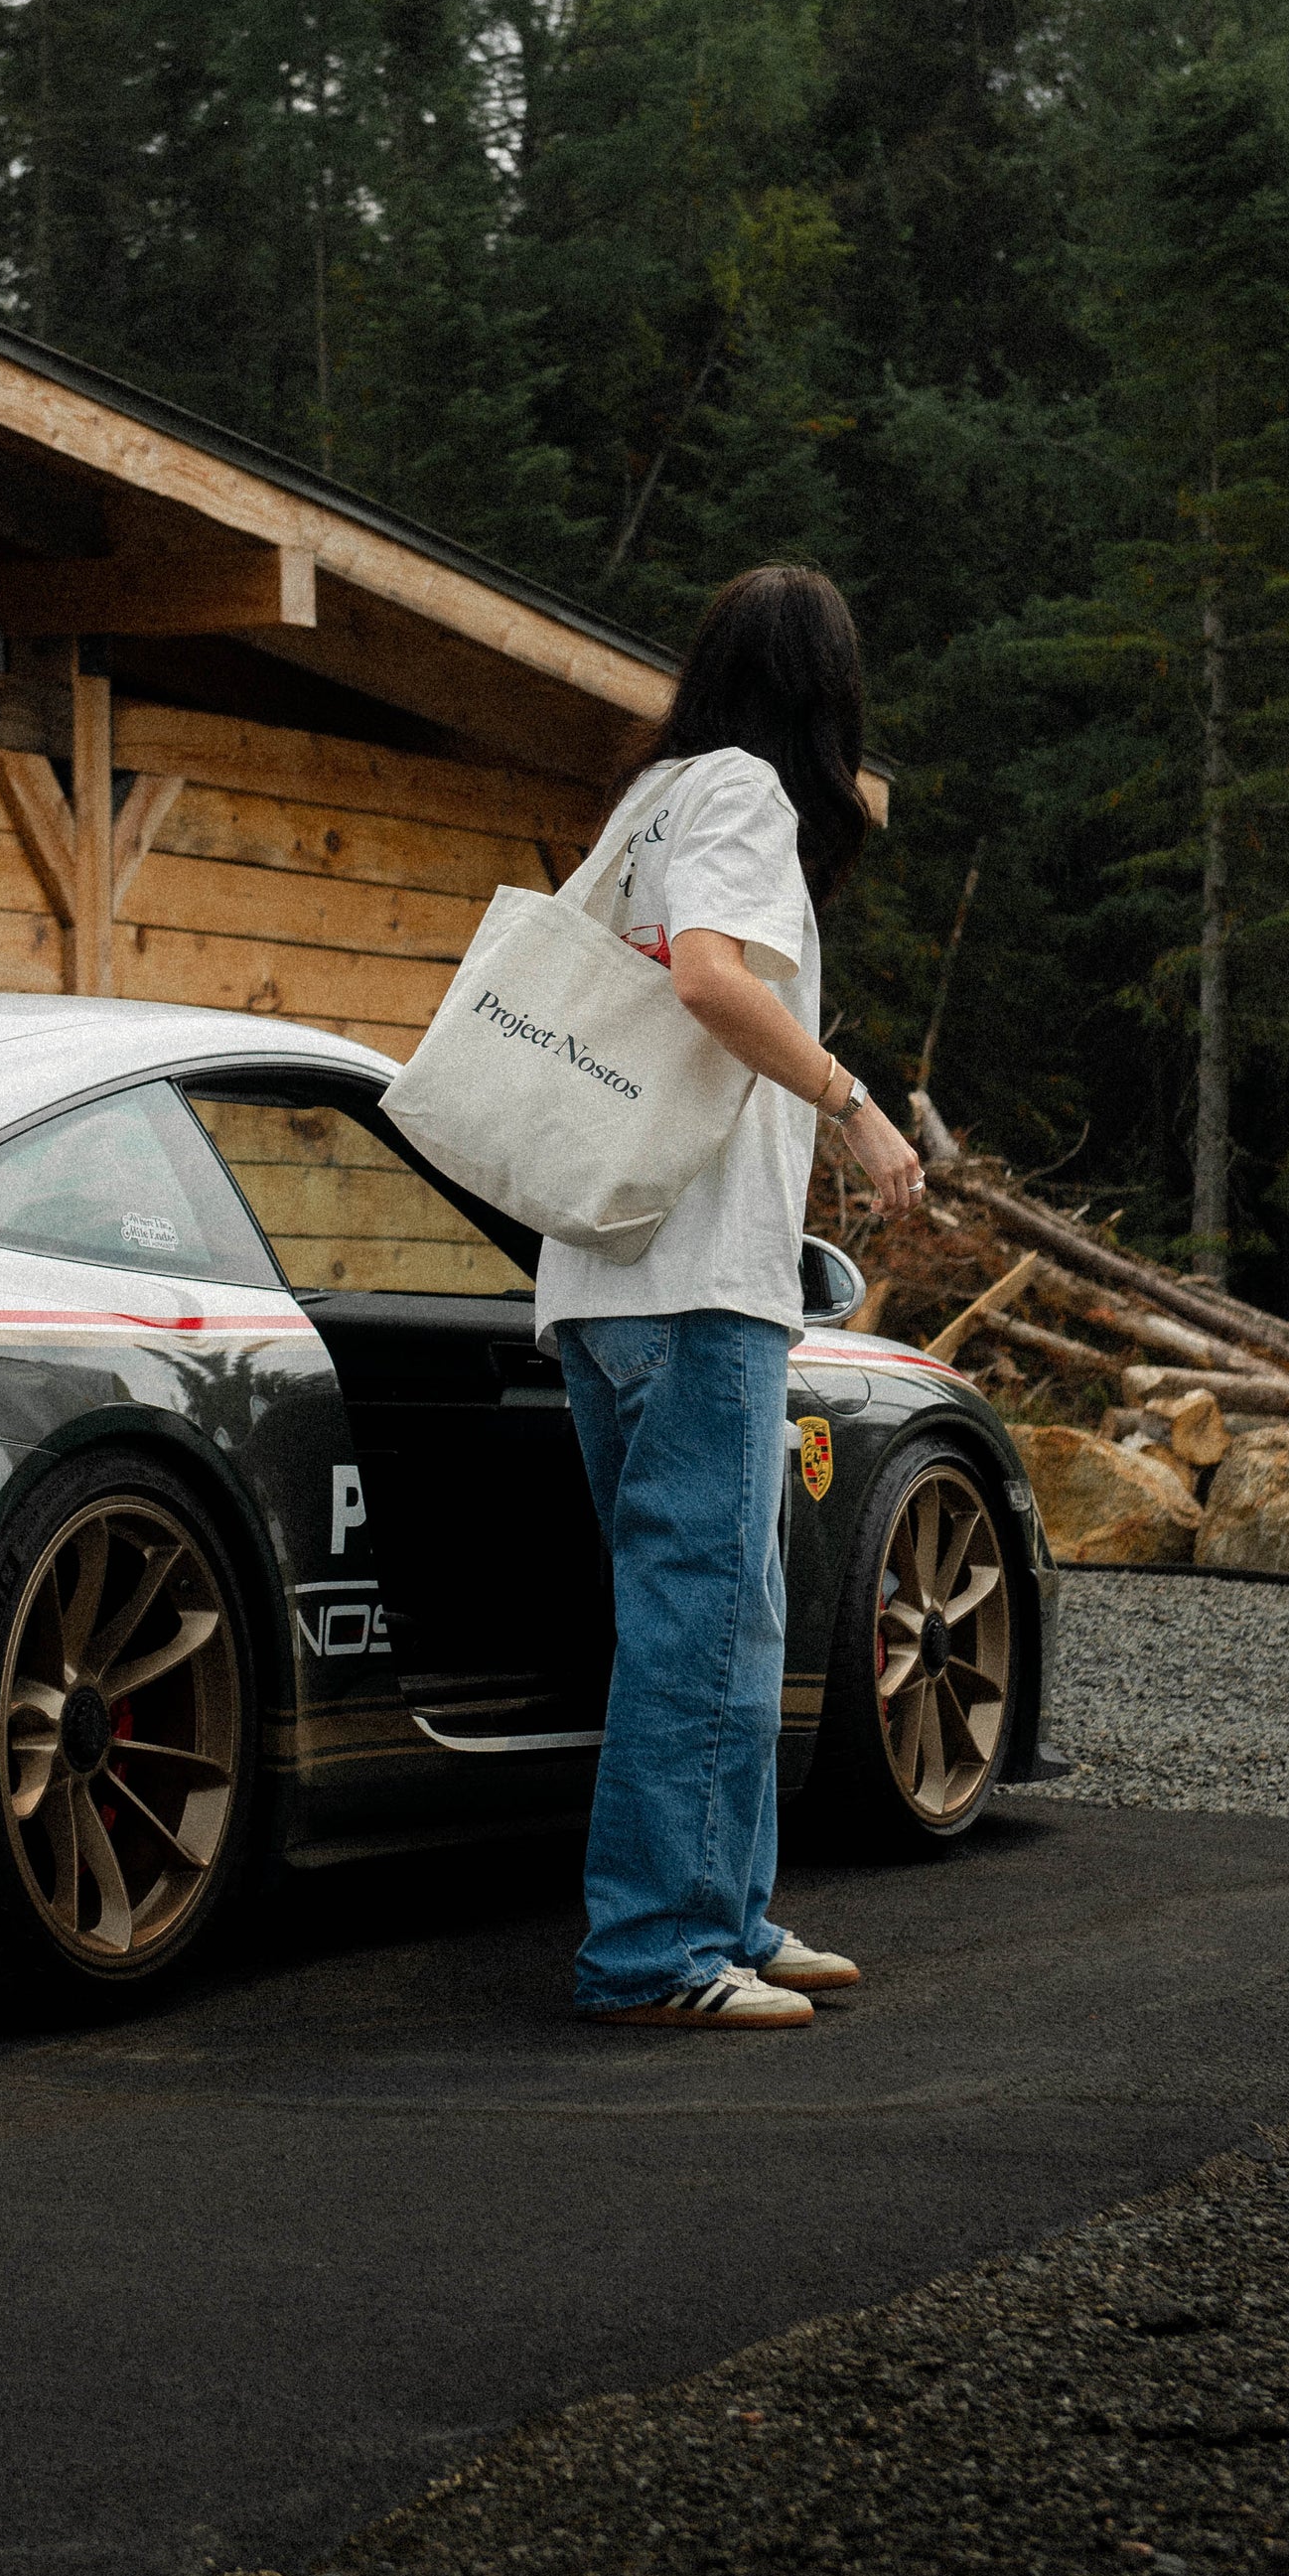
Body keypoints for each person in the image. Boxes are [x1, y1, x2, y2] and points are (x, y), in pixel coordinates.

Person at [538, 563, 921, 2028]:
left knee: (726, 1609)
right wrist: (855, 1105)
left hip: (605, 1271)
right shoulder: (748, 797)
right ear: (826, 695)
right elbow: (708, 980)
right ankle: (654, 1954)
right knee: (703, 1609)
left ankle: (728, 1917)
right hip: (696, 1280)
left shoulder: (651, 804)